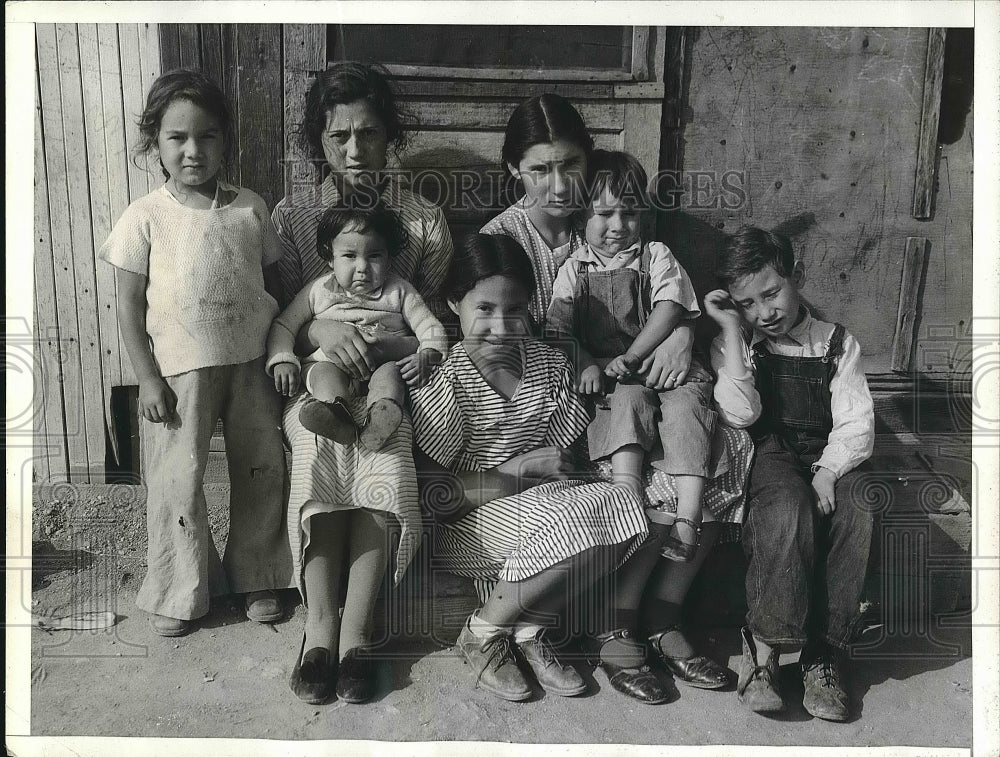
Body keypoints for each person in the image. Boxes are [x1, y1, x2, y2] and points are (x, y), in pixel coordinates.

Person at [484, 94, 749, 701]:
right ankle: (615, 622)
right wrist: (590, 364)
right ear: (513, 173)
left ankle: (665, 609)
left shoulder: (635, 234)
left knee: (722, 445)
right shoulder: (505, 240)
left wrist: (681, 332)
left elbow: (671, 300)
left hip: (635, 383)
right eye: (538, 169)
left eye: (569, 165)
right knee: (622, 470)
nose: (558, 185)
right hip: (555, 401)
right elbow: (510, 340)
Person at [271, 62, 452, 706]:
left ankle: (358, 634)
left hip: (395, 377)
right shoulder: (295, 217)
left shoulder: (422, 220)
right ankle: (318, 627)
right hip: (319, 382)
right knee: (316, 441)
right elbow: (284, 319)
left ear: (390, 137)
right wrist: (319, 334)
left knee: (385, 448)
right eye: (338, 135)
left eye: (369, 134)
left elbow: (431, 321)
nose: (354, 150)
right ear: (319, 142)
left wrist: (389, 345)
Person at [412, 234, 652, 703]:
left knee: (626, 505)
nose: (501, 326)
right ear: (453, 303)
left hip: (541, 514)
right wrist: (515, 473)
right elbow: (431, 497)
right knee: (578, 516)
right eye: (484, 309)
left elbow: (569, 456)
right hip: (467, 526)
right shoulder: (448, 379)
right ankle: (480, 633)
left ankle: (528, 631)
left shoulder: (546, 363)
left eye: (515, 309)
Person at [99, 69, 292, 638]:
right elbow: (130, 312)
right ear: (153, 144)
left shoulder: (250, 208)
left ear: (225, 141)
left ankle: (258, 574)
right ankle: (182, 588)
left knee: (260, 468)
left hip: (251, 362)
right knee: (178, 479)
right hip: (181, 372)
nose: (192, 150)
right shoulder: (145, 217)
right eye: (177, 137)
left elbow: (271, 284)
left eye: (207, 136)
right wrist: (148, 380)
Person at [705, 226, 875, 721]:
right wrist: (734, 332)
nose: (764, 312)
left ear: (796, 277)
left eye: (771, 293)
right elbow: (740, 413)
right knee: (785, 508)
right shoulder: (737, 344)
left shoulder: (838, 343)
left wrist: (828, 471)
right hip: (772, 452)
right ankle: (765, 652)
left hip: (833, 451)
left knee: (859, 506)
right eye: (748, 303)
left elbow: (856, 422)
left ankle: (825, 654)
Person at [547, 149, 714, 562]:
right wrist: (584, 359)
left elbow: (670, 306)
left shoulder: (654, 256)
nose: (619, 226)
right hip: (617, 377)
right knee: (625, 403)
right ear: (580, 217)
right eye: (604, 214)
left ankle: (688, 516)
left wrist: (636, 353)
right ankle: (627, 496)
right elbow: (557, 330)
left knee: (687, 407)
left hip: (665, 365)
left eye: (630, 213)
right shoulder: (572, 270)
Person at [266, 200, 447, 450]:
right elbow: (284, 325)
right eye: (349, 256)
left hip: (381, 364)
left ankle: (380, 418)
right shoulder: (318, 291)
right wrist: (283, 359)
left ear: (389, 259)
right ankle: (336, 416)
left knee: (391, 376)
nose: (362, 268)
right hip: (329, 363)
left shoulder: (399, 291)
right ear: (331, 258)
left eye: (374, 256)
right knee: (324, 375)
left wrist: (428, 354)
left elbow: (431, 327)